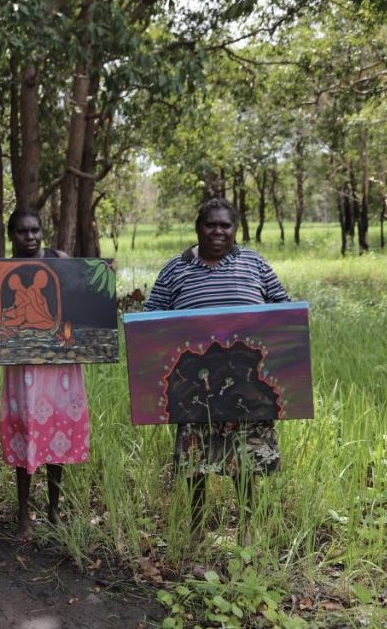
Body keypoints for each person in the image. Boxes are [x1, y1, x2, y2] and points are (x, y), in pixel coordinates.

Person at [144, 197, 290, 545]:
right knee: (195, 463)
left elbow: (283, 309)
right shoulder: (175, 269)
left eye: (226, 225)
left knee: (247, 461)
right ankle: (196, 530)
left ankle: (246, 534)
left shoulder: (255, 264)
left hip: (248, 387)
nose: (218, 231)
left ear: (235, 229)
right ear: (198, 227)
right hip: (194, 388)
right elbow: (150, 320)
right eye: (211, 224)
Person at [0, 207, 91, 540]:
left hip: (59, 366)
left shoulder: (60, 259)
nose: (30, 237)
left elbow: (78, 304)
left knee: (57, 433)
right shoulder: (4, 269)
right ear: (11, 234)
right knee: (25, 433)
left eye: (35, 230)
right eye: (23, 231)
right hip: (22, 367)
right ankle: (23, 512)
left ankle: (54, 510)